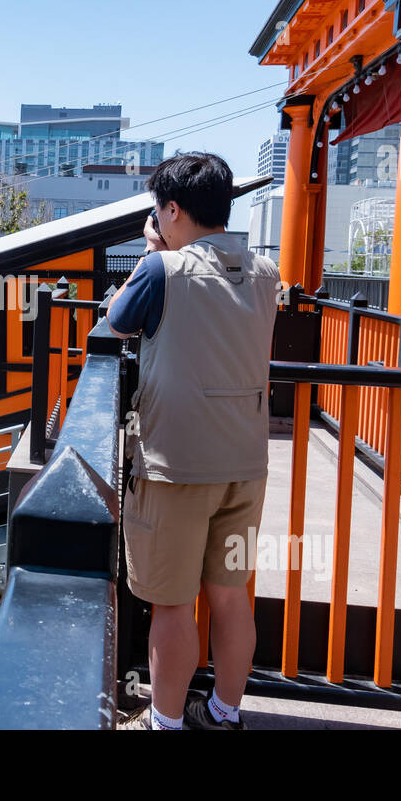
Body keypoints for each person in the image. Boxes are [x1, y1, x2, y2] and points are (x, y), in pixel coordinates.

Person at [107, 152, 279, 731]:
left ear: (172, 210)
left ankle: (166, 721)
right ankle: (226, 713)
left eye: (160, 213)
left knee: (172, 604)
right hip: (246, 464)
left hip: (175, 467)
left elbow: (118, 320)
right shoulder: (265, 273)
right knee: (231, 597)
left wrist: (154, 255)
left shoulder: (162, 270)